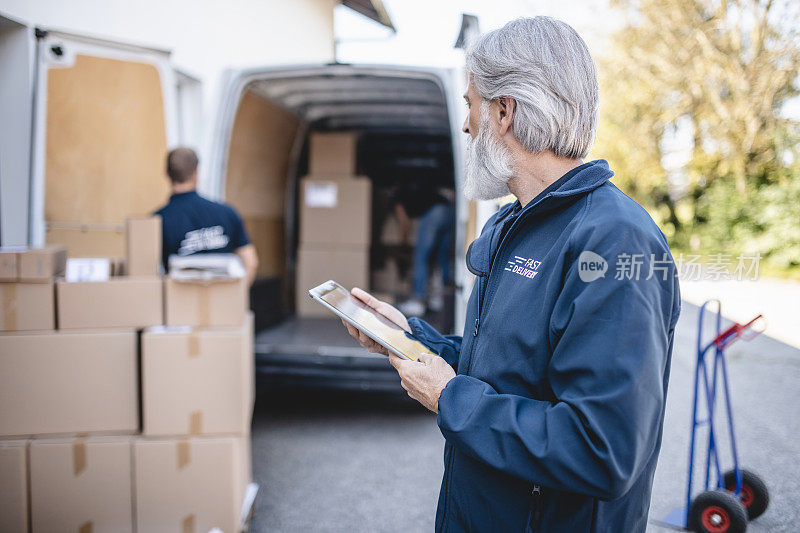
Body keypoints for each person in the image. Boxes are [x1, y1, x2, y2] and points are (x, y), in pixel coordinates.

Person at [342, 17, 681, 532]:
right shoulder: (516, 222)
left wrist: (448, 397)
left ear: (505, 111)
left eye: (470, 104)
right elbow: (502, 372)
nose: (465, 124)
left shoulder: (613, 241)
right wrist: (411, 339)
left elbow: (601, 449)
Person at [155, 147, 258, 285]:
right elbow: (251, 262)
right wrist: (236, 296)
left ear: (167, 174)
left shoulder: (158, 221)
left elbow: (150, 273)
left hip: (180, 304)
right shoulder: (227, 213)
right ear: (196, 174)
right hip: (223, 302)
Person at [392, 180, 454, 316]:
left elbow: (404, 222)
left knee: (420, 258)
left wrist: (403, 242)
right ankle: (444, 300)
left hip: (434, 213)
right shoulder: (414, 188)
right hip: (450, 211)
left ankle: (418, 301)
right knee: (442, 258)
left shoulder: (397, 196)